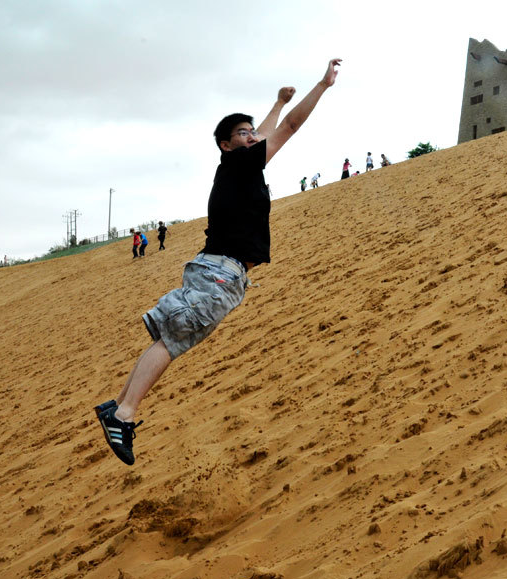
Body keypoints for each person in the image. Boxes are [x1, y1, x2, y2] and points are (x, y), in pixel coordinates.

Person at [94, 58, 342, 466]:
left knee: (169, 337)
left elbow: (264, 131)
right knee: (173, 340)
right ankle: (123, 414)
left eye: (250, 132)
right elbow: (287, 130)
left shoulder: (237, 166)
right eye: (242, 134)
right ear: (227, 144)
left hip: (214, 269)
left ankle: (117, 406)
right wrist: (322, 86)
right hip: (220, 275)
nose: (252, 137)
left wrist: (277, 101)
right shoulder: (242, 163)